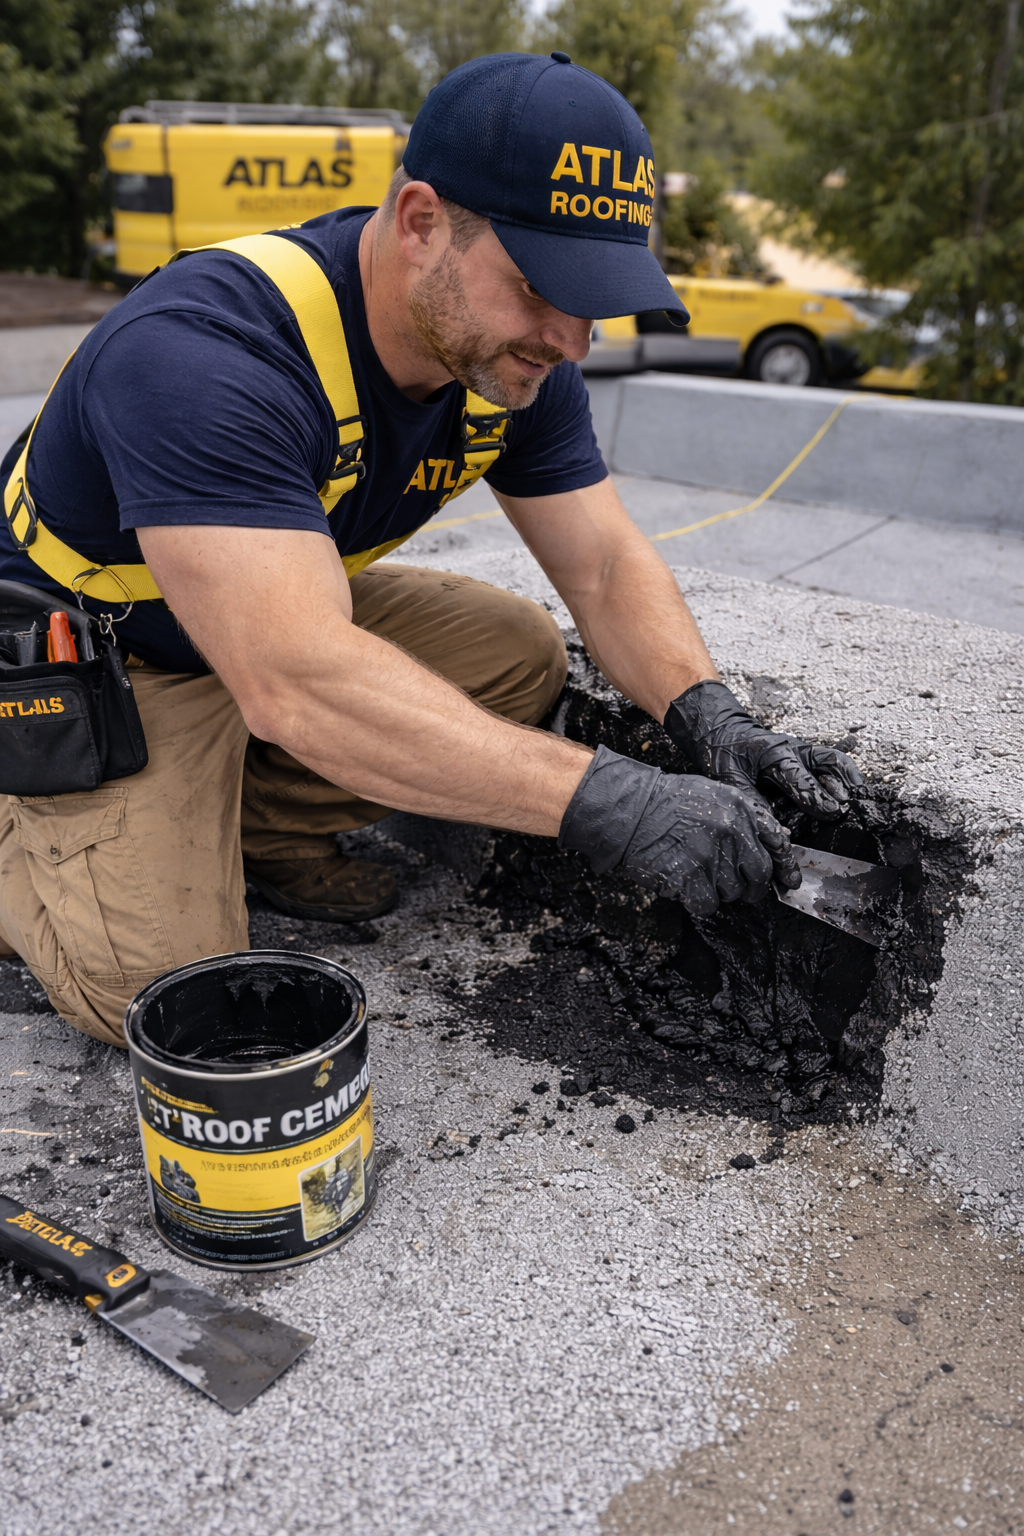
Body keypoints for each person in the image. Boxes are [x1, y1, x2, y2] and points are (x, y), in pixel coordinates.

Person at [0, 52, 860, 1047]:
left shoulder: (507, 358)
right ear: (418, 222)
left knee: (515, 652)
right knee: (165, 994)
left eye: (594, 298)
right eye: (543, 286)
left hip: (255, 617)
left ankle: (249, 823)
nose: (570, 339)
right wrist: (608, 802)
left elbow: (605, 564)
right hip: (94, 662)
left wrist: (708, 715)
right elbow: (297, 684)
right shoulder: (205, 355)